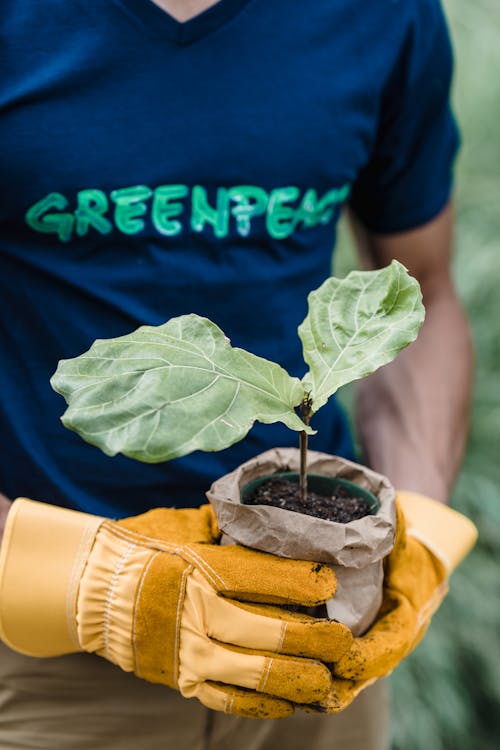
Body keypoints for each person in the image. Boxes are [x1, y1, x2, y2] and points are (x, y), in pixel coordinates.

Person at [0, 0, 476, 748]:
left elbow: (420, 288)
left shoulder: (384, 15)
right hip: (49, 656)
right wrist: (96, 587)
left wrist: (419, 535)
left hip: (323, 638)